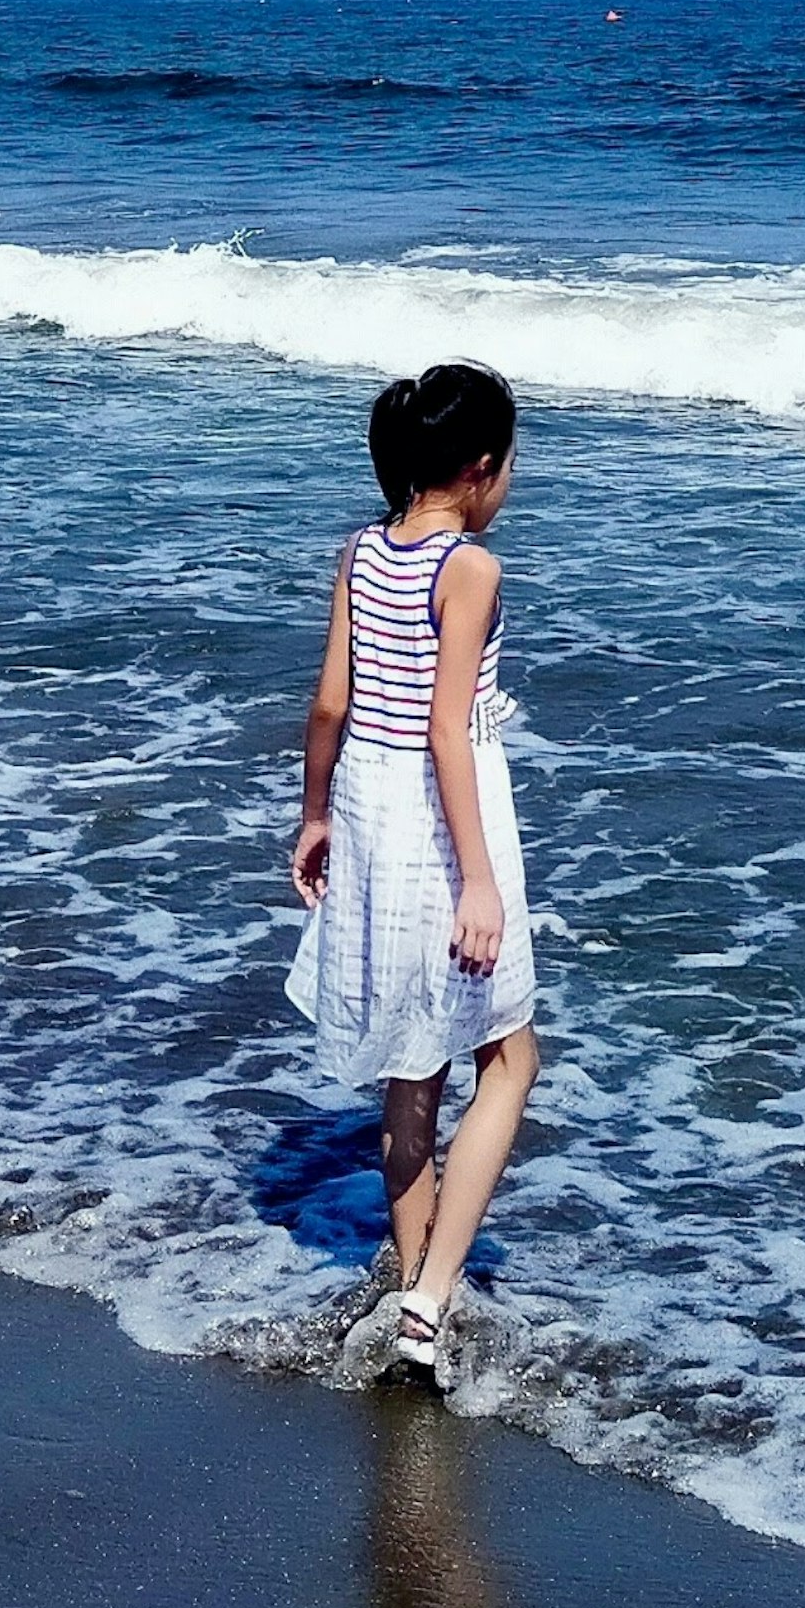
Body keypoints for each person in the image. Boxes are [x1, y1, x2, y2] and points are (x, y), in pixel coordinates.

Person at [286, 356, 538, 1390]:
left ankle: (414, 1287)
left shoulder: (360, 551)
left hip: (368, 809)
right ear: (479, 468)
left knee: (409, 1069)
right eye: (509, 461)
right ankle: (432, 1301)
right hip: (444, 819)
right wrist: (477, 878)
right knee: (509, 1061)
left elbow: (330, 703)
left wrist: (311, 814)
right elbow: (447, 729)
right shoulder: (467, 565)